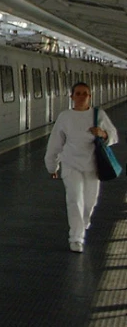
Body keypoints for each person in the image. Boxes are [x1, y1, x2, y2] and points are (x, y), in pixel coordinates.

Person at [45, 82, 118, 253]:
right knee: (75, 199)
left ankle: (83, 224)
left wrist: (103, 134)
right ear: (71, 96)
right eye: (78, 93)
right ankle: (76, 237)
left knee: (89, 202)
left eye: (85, 93)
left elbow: (114, 135)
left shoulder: (98, 115)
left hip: (93, 165)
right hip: (70, 165)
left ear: (90, 96)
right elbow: (55, 143)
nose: (81, 96)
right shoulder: (65, 117)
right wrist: (52, 166)